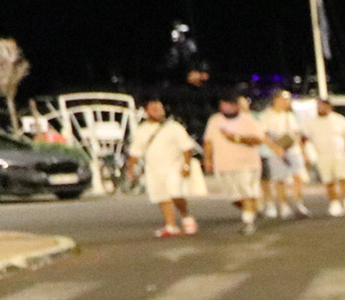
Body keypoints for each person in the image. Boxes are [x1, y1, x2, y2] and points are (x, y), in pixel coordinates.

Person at [125, 99, 199, 237]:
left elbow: (186, 148)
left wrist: (186, 165)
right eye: (153, 109)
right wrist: (131, 169)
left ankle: (186, 218)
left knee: (175, 193)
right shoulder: (142, 130)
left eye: (159, 109)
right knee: (162, 197)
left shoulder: (174, 127)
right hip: (154, 169)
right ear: (146, 112)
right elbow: (135, 152)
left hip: (174, 166)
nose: (157, 112)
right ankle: (170, 225)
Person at [202, 93, 269, 233]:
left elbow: (258, 140)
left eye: (230, 104)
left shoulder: (249, 120)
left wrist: (237, 138)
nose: (226, 107)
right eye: (224, 104)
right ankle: (254, 208)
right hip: (224, 164)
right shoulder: (215, 120)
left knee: (247, 192)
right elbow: (208, 141)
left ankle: (248, 222)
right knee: (235, 196)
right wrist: (207, 159)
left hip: (247, 164)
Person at [258, 89, 313, 220]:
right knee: (279, 180)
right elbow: (264, 136)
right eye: (283, 99)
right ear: (275, 100)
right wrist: (276, 149)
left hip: (293, 150)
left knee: (297, 178)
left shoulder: (290, 116)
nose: (285, 102)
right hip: (276, 152)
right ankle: (283, 205)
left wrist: (304, 153)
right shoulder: (266, 115)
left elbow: (296, 135)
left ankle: (298, 203)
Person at [307, 97, 345, 216]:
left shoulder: (339, 119)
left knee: (344, 179)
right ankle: (334, 203)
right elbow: (305, 138)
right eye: (318, 106)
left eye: (322, 106)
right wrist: (306, 154)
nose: (320, 108)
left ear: (329, 107)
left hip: (340, 154)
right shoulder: (311, 122)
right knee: (328, 181)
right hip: (322, 156)